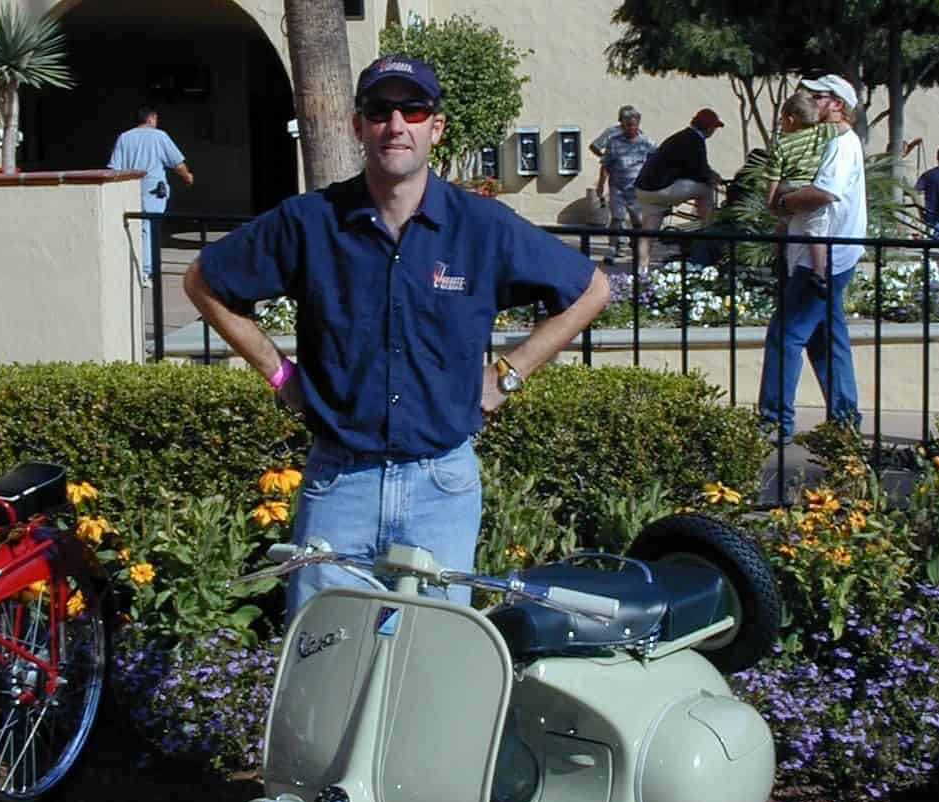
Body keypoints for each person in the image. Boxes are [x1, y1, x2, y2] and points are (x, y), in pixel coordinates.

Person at [183, 53, 609, 619]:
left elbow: (592, 289)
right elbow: (203, 281)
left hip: (441, 487)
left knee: (425, 670)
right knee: (327, 666)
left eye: (413, 110)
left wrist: (508, 373)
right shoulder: (309, 223)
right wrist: (279, 373)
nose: (396, 124)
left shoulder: (481, 227)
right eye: (380, 110)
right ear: (359, 125)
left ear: (436, 126)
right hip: (340, 484)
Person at [758, 74, 867, 442]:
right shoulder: (826, 140)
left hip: (823, 261)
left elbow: (824, 193)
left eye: (816, 96)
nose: (806, 99)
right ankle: (845, 418)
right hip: (826, 256)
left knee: (784, 336)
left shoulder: (841, 143)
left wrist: (780, 203)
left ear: (837, 104)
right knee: (825, 341)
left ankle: (774, 423)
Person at [764, 88, 843, 297]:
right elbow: (843, 128)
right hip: (809, 189)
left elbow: (773, 176)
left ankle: (778, 255)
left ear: (790, 118)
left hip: (789, 188)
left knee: (785, 224)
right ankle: (819, 271)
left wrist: (771, 202)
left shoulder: (781, 144)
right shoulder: (822, 133)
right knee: (817, 231)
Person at [107, 106, 193, 286]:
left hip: (129, 189)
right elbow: (177, 163)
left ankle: (134, 267)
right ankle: (147, 271)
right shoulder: (159, 136)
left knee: (133, 228)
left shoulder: (124, 137)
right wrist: (188, 176)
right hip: (153, 190)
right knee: (149, 228)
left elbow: (114, 168)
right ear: (151, 118)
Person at [632, 108, 725, 273]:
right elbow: (700, 171)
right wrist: (714, 178)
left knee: (648, 231)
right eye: (714, 128)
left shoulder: (679, 137)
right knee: (705, 188)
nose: (714, 131)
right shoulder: (695, 140)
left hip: (643, 188)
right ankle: (708, 228)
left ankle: (641, 270)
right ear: (709, 127)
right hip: (662, 188)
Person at [590, 106, 655, 262]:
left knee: (638, 221)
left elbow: (655, 160)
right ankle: (613, 249)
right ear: (622, 124)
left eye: (633, 125)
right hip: (617, 186)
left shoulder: (646, 142)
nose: (630, 128)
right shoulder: (614, 141)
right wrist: (601, 185)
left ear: (638, 124)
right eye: (626, 125)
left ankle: (638, 249)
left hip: (637, 189)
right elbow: (605, 164)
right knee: (617, 218)